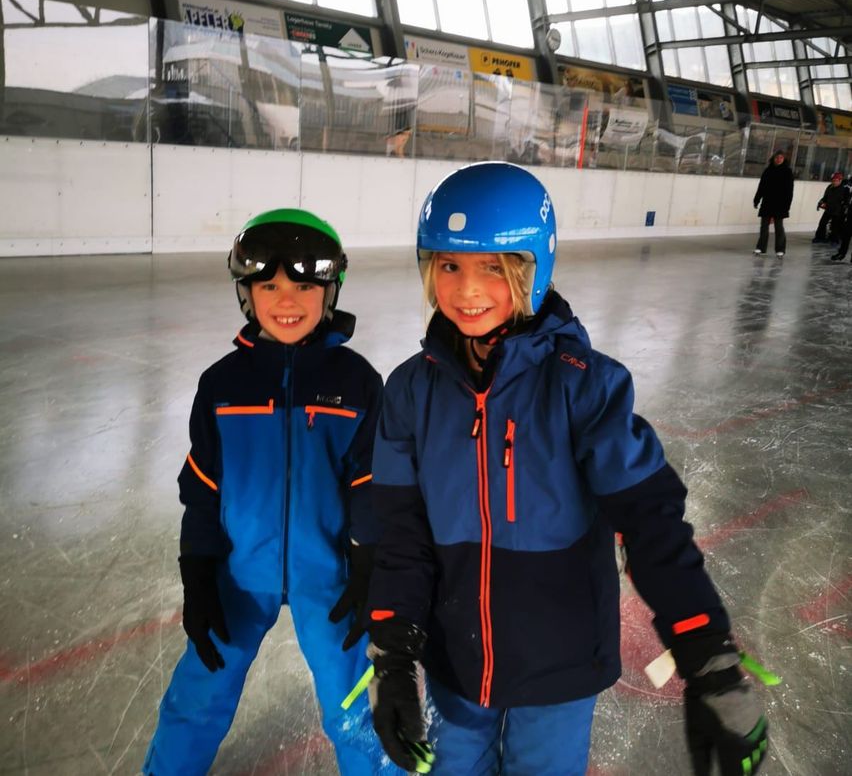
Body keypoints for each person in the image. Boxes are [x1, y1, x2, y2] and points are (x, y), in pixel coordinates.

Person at [364, 162, 770, 776]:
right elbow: (401, 531)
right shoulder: (408, 392)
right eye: (449, 265)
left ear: (533, 269)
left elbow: (650, 522)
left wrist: (706, 654)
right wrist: (393, 652)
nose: (467, 290)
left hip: (560, 667)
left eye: (493, 268)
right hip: (456, 665)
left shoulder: (587, 389)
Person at [143, 209, 395, 775]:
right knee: (198, 694)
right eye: (269, 285)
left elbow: (368, 482)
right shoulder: (222, 385)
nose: (287, 299)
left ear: (329, 291)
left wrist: (369, 558)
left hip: (328, 578)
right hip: (238, 575)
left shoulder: (355, 382)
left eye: (304, 285)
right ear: (246, 292)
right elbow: (202, 489)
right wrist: (197, 568)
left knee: (355, 704)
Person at [753, 150, 794, 257]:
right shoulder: (768, 171)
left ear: (784, 159)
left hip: (780, 203)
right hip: (767, 202)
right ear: (773, 158)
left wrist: (787, 206)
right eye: (777, 157)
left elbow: (789, 190)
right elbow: (761, 186)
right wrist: (757, 199)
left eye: (781, 157)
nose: (778, 159)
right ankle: (761, 248)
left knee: (779, 227)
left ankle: (780, 249)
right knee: (764, 226)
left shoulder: (787, 172)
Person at [813, 172, 846, 244]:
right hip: (828, 209)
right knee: (822, 223)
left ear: (840, 180)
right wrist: (821, 202)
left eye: (836, 181)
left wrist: (843, 209)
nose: (834, 182)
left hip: (837, 211)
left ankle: (834, 239)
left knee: (835, 226)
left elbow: (845, 201)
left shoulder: (844, 190)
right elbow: (825, 197)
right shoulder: (829, 187)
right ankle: (819, 237)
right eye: (833, 180)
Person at [829, 174, 852, 263]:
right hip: (850, 211)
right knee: (846, 233)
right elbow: (846, 193)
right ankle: (841, 253)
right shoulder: (849, 182)